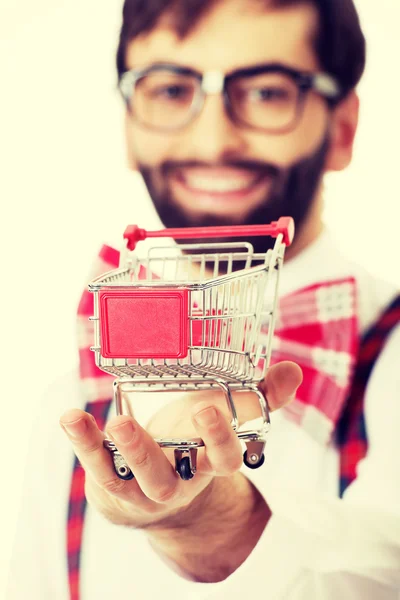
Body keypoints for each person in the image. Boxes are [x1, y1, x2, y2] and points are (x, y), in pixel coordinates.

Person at [7, 0, 400, 599]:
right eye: (169, 89)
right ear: (129, 127)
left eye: (268, 92)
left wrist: (214, 525)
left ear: (343, 129)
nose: (213, 139)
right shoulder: (66, 406)